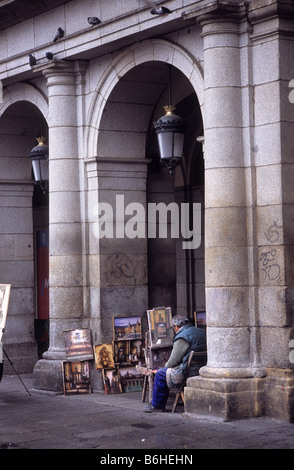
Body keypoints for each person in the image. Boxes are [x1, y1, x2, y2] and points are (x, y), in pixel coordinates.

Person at [144, 314, 206, 412]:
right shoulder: (200, 331)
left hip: (189, 371)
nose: (174, 330)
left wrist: (165, 366)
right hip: (202, 368)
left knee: (160, 374)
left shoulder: (182, 336)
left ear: (176, 326)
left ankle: (157, 406)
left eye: (173, 328)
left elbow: (173, 361)